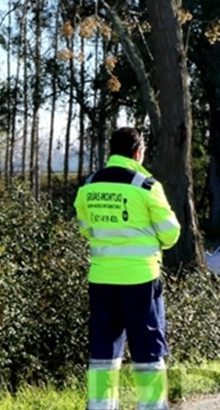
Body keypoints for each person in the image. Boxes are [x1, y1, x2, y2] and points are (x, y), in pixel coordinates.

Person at [74, 127, 181, 410]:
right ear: (138, 152)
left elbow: (86, 228)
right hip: (141, 279)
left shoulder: (90, 185)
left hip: (101, 279)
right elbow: (171, 234)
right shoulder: (146, 186)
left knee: (103, 354)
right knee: (147, 353)